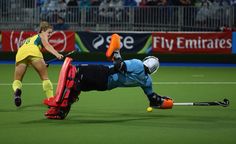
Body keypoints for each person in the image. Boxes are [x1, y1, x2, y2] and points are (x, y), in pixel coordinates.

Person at [44, 34, 173, 119]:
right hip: (105, 86)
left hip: (104, 74)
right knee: (78, 85)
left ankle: (60, 105)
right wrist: (164, 101)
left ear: (146, 60)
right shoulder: (147, 81)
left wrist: (116, 52)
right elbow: (153, 100)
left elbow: (119, 66)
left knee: (76, 72)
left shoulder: (138, 64)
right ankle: (61, 110)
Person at [12, 21, 64, 107]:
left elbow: (26, 53)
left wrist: (42, 63)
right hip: (34, 52)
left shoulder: (28, 39)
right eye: (49, 32)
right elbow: (47, 46)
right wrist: (57, 54)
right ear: (43, 30)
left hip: (20, 54)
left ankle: (17, 91)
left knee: (17, 80)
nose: (50, 34)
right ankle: (51, 100)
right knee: (45, 78)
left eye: (51, 33)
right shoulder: (42, 35)